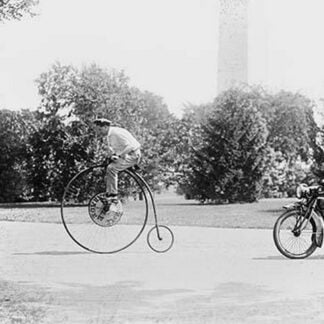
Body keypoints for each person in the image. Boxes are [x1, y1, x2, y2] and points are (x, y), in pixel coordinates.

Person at [93, 118, 141, 201]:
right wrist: (113, 155)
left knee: (111, 168)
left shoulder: (116, 133)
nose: (99, 132)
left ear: (105, 127)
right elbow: (115, 149)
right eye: (97, 130)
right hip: (126, 156)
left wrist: (119, 155)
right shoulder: (109, 135)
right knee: (109, 166)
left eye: (100, 130)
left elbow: (131, 146)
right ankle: (109, 192)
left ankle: (112, 195)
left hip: (133, 155)